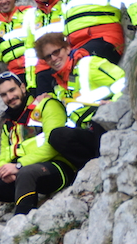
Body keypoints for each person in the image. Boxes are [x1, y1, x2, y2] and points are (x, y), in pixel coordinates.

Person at [0, 72, 75, 230]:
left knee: (26, 173)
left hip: (57, 168)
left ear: (23, 87)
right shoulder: (8, 124)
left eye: (12, 90)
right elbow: (3, 156)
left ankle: (19, 230)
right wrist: (5, 170)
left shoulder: (46, 105)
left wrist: (18, 166)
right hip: (22, 174)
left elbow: (54, 144)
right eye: (4, 94)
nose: (9, 97)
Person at [35, 33, 126, 170]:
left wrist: (114, 101)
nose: (54, 58)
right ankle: (90, 168)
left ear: (66, 48)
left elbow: (123, 80)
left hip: (107, 122)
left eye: (56, 51)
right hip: (86, 131)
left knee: (98, 120)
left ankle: (103, 164)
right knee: (56, 136)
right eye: (48, 56)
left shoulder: (89, 64)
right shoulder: (58, 86)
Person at [23, 0, 64, 94]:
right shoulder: (30, 15)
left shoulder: (66, 4)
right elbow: (30, 51)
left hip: (65, 66)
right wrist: (31, 82)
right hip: (42, 73)